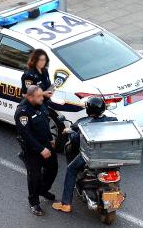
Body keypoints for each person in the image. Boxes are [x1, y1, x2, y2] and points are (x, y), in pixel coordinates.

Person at [52, 96, 117, 213]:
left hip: (91, 156)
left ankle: (65, 204)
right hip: (109, 155)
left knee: (71, 169)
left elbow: (75, 139)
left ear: (88, 110)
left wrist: (69, 132)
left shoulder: (83, 123)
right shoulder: (113, 120)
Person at [14, 85, 58, 216]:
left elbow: (45, 122)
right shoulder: (22, 112)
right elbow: (26, 135)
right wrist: (40, 149)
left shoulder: (41, 103)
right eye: (38, 96)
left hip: (46, 144)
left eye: (41, 95)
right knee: (35, 176)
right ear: (29, 97)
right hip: (32, 149)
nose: (42, 98)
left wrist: (50, 139)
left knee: (53, 168)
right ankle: (34, 202)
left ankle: (43, 190)